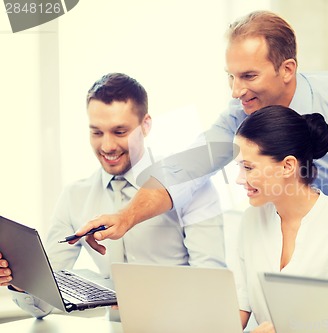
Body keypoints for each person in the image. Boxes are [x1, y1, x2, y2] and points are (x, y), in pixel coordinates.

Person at [76, 10, 328, 256]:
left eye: (248, 76)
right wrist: (126, 217)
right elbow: (184, 169)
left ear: (287, 69)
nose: (236, 91)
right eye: (230, 77)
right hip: (293, 235)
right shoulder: (239, 113)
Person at [0, 73, 225, 319]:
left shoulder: (189, 184)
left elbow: (212, 287)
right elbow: (43, 302)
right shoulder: (74, 197)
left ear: (146, 125)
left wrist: (146, 299)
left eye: (119, 132)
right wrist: (22, 282)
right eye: (97, 133)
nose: (107, 146)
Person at [234, 105, 328, 332]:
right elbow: (239, 305)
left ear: (288, 166)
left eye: (248, 168)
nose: (239, 179)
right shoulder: (251, 220)